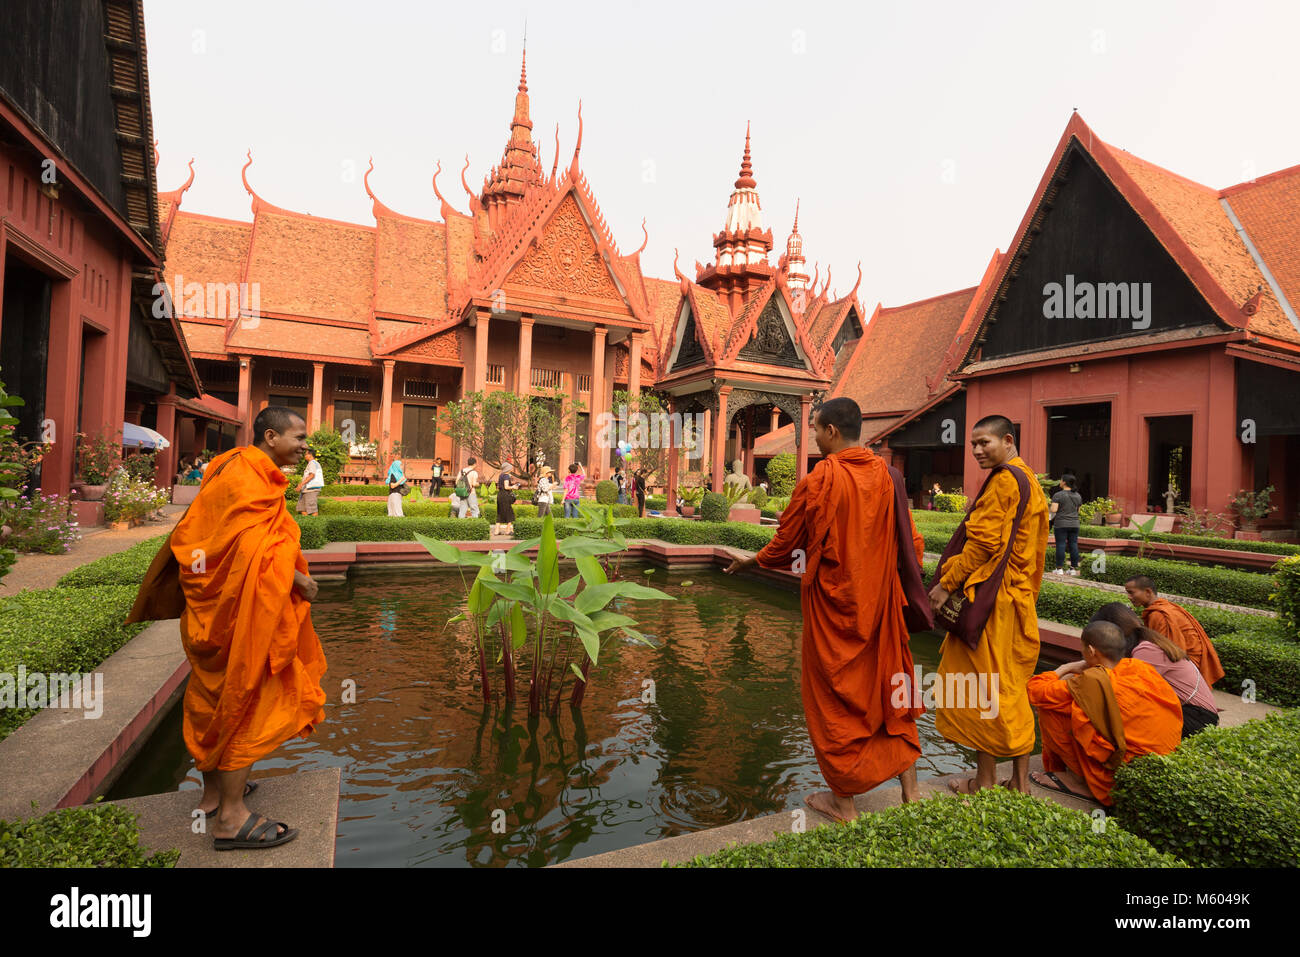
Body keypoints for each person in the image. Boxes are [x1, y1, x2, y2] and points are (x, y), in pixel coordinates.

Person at [125, 405, 326, 849]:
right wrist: (297, 579)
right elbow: (244, 549)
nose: (304, 446)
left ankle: (214, 795)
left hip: (216, 610)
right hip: (241, 614)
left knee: (212, 694)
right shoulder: (246, 477)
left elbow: (209, 541)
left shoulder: (231, 466)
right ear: (271, 437)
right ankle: (231, 821)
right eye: (298, 438)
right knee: (246, 696)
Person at [725, 397, 927, 822]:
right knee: (894, 693)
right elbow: (913, 544)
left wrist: (754, 561)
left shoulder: (821, 479)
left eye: (815, 428)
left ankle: (845, 802)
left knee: (834, 700)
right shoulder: (890, 477)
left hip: (834, 611)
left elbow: (787, 540)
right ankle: (911, 794)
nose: (812, 436)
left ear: (832, 431)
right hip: (882, 611)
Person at [929, 414, 1049, 795]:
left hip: (992, 604)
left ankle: (983, 782)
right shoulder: (1029, 479)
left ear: (1008, 440)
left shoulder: (1003, 481)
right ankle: (1017, 782)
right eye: (973, 444)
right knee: (1010, 688)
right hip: (1018, 601)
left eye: (985, 443)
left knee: (984, 689)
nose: (978, 451)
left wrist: (946, 585)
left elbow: (981, 544)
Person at [1027, 620, 1182, 805]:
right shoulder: (1140, 668)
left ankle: (1078, 781)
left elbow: (1035, 690)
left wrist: (1065, 668)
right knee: (1071, 701)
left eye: (1082, 649)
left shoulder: (1093, 682)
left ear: (1091, 651)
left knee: (1048, 706)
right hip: (1158, 764)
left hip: (1120, 772)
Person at [1089, 602, 1220, 737]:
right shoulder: (1144, 644)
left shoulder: (1145, 650)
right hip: (1191, 713)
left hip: (1196, 716)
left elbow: (1125, 690)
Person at [1123, 575, 1225, 688]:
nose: (1129, 597)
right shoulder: (1164, 607)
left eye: (1131, 592)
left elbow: (1164, 651)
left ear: (1147, 591)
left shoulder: (1158, 615)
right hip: (1190, 662)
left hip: (1188, 665)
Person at [1050, 472, 1083, 575]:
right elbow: (1078, 511)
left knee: (1060, 545)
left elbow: (1054, 509)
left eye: (1061, 480)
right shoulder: (1078, 495)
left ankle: (1059, 569)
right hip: (1074, 524)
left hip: (1061, 524)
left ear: (1064, 482)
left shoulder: (1058, 495)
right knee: (1073, 545)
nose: (1060, 482)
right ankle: (1073, 569)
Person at [295, 448, 325, 516]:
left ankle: (314, 524)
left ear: (310, 455)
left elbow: (312, 475)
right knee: (302, 508)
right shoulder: (313, 463)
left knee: (312, 509)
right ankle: (307, 523)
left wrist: (301, 484)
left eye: (306, 454)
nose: (305, 456)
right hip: (306, 489)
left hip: (311, 489)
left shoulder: (312, 463)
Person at [494, 461, 518, 536]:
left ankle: (496, 531)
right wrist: (513, 487)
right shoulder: (506, 476)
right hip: (505, 496)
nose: (511, 469)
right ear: (508, 469)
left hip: (500, 495)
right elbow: (506, 486)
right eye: (510, 468)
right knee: (510, 513)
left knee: (500, 513)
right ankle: (508, 531)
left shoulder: (501, 475)